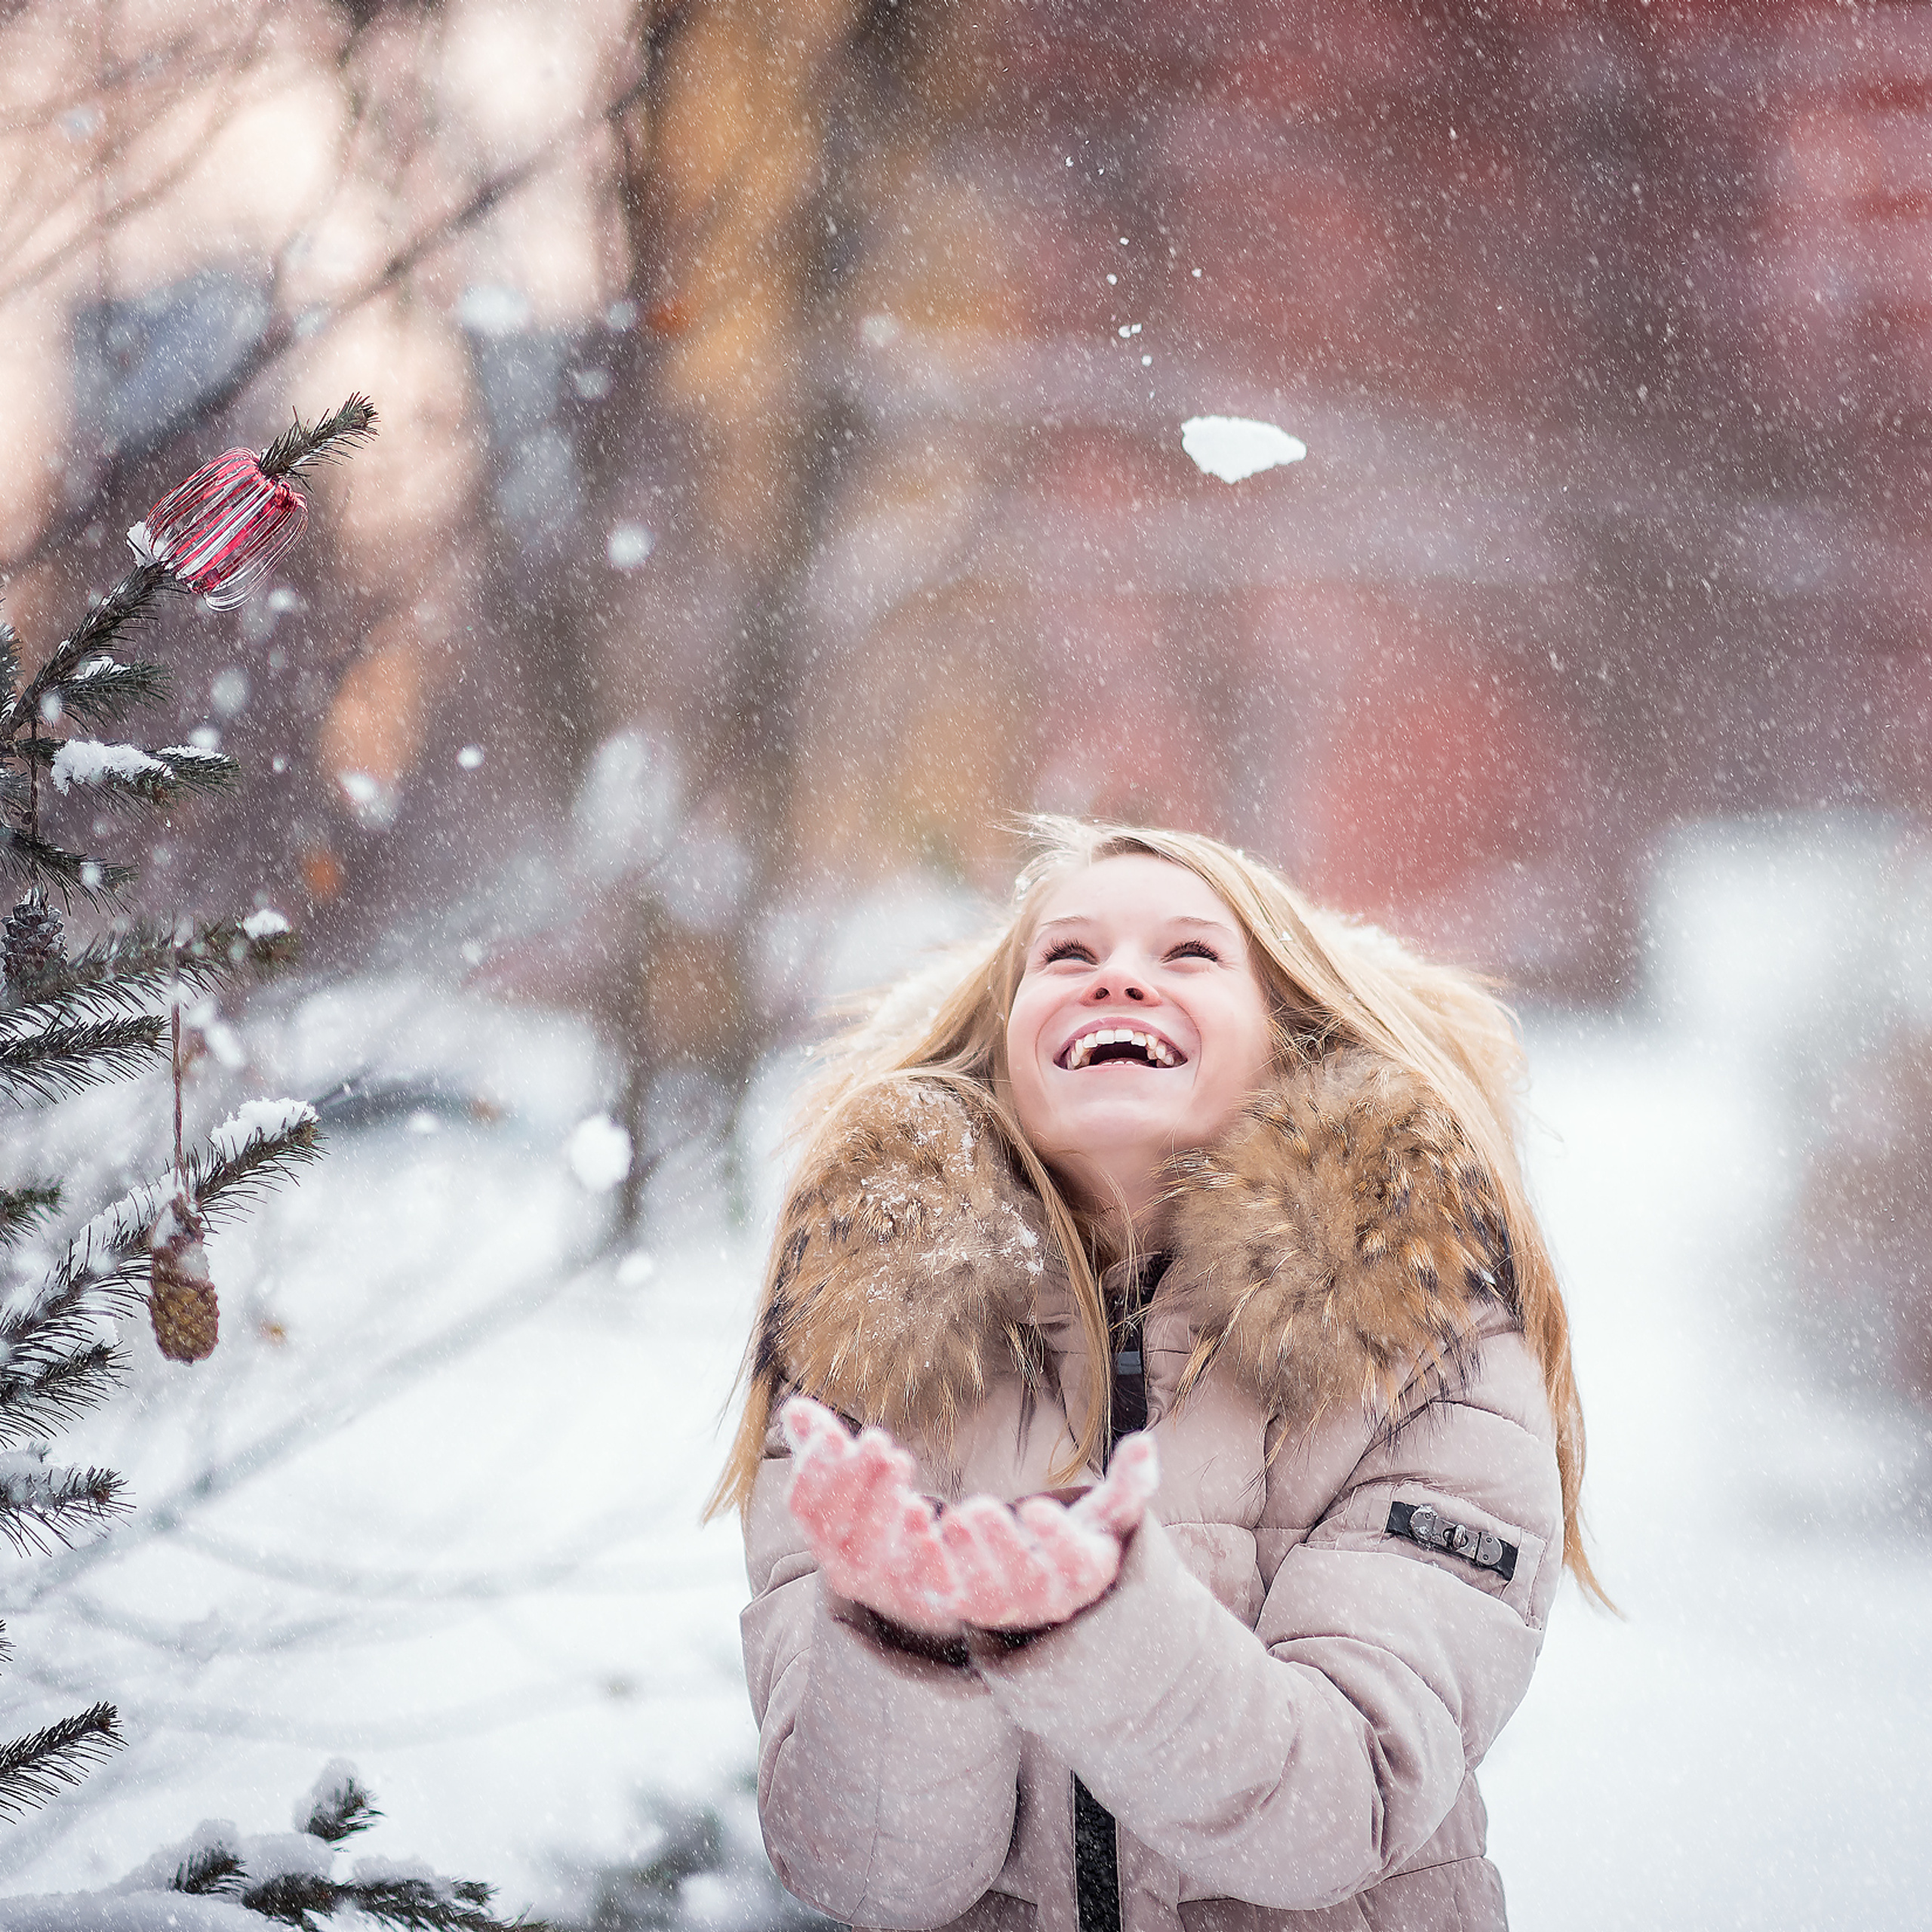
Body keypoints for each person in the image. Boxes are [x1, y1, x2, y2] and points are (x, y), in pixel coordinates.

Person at [711, 818, 1604, 1932]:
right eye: (1068, 957)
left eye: (1188, 955)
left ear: (1290, 1038)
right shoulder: (873, 1360)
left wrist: (1099, 1626)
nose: (1119, 977)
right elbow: (862, 1875)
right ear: (998, 1047)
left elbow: (1337, 1808)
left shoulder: (1425, 1345)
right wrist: (904, 1639)